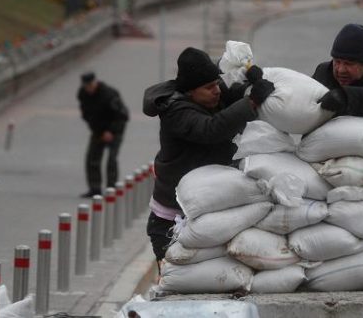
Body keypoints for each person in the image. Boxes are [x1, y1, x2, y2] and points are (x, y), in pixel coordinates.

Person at [142, 47, 274, 265]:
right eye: (209, 87)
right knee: (175, 277)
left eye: (216, 84)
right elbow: (210, 130)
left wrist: (251, 84)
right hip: (171, 220)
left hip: (207, 213)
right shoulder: (175, 111)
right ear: (190, 91)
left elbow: (231, 95)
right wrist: (250, 102)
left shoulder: (210, 97)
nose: (217, 91)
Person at [77, 72, 129, 198]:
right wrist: (100, 132)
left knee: (111, 159)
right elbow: (87, 115)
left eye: (90, 85)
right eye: (86, 86)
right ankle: (95, 189)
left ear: (95, 82)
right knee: (92, 158)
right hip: (98, 130)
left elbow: (122, 115)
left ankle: (111, 188)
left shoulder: (109, 94)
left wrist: (111, 131)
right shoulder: (83, 94)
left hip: (115, 130)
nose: (89, 89)